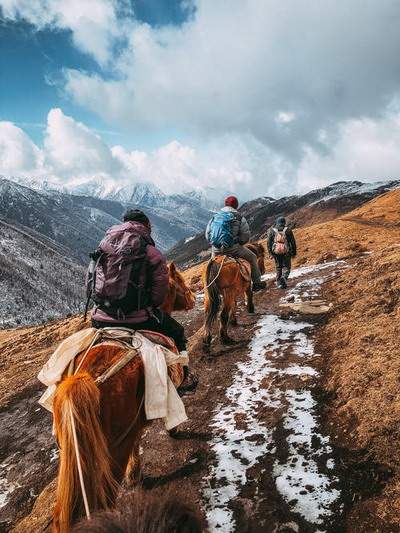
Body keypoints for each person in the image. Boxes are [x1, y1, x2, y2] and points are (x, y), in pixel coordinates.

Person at [91, 209, 197, 395]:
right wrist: (144, 306)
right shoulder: (151, 252)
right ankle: (183, 379)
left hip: (101, 317)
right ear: (146, 226)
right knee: (178, 332)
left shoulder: (104, 245)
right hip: (137, 319)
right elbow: (159, 295)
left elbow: (91, 280)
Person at [205, 196, 266, 291]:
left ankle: (209, 288)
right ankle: (257, 283)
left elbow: (207, 234)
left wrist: (215, 244)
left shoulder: (215, 216)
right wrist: (238, 242)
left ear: (225, 204)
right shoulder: (239, 217)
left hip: (216, 249)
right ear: (236, 206)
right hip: (233, 248)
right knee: (253, 257)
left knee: (210, 267)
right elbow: (245, 236)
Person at [267, 216, 297, 289]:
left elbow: (268, 243)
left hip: (276, 252)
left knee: (278, 267)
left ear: (277, 222)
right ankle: (284, 278)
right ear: (284, 222)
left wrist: (270, 253)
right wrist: (294, 252)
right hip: (286, 251)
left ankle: (279, 283)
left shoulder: (272, 230)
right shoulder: (288, 230)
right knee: (287, 267)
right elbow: (293, 242)